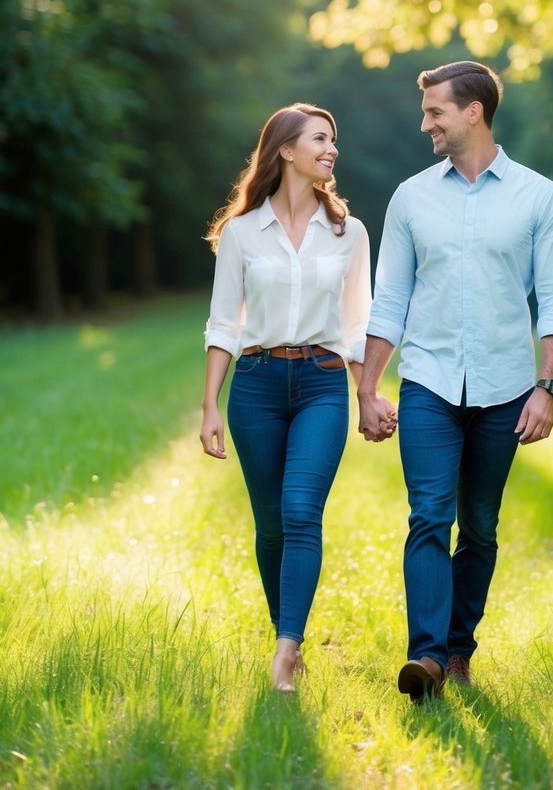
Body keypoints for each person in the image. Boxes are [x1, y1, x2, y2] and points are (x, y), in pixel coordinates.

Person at [356, 61, 553, 701]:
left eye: (435, 112)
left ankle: (458, 650)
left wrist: (547, 386)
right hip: (427, 380)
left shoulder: (538, 197)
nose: (425, 123)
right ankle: (424, 658)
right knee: (429, 515)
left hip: (507, 387)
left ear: (473, 112)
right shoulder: (410, 198)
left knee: (479, 525)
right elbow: (389, 299)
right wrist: (368, 389)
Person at [199, 103, 397, 692]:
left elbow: (360, 322)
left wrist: (368, 393)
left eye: (334, 140)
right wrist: (210, 403)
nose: (332, 148)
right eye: (320, 138)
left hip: (321, 383)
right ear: (285, 149)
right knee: (271, 527)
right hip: (255, 386)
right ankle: (285, 631)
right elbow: (222, 324)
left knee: (301, 511)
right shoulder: (240, 233)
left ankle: (287, 650)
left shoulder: (349, 232)